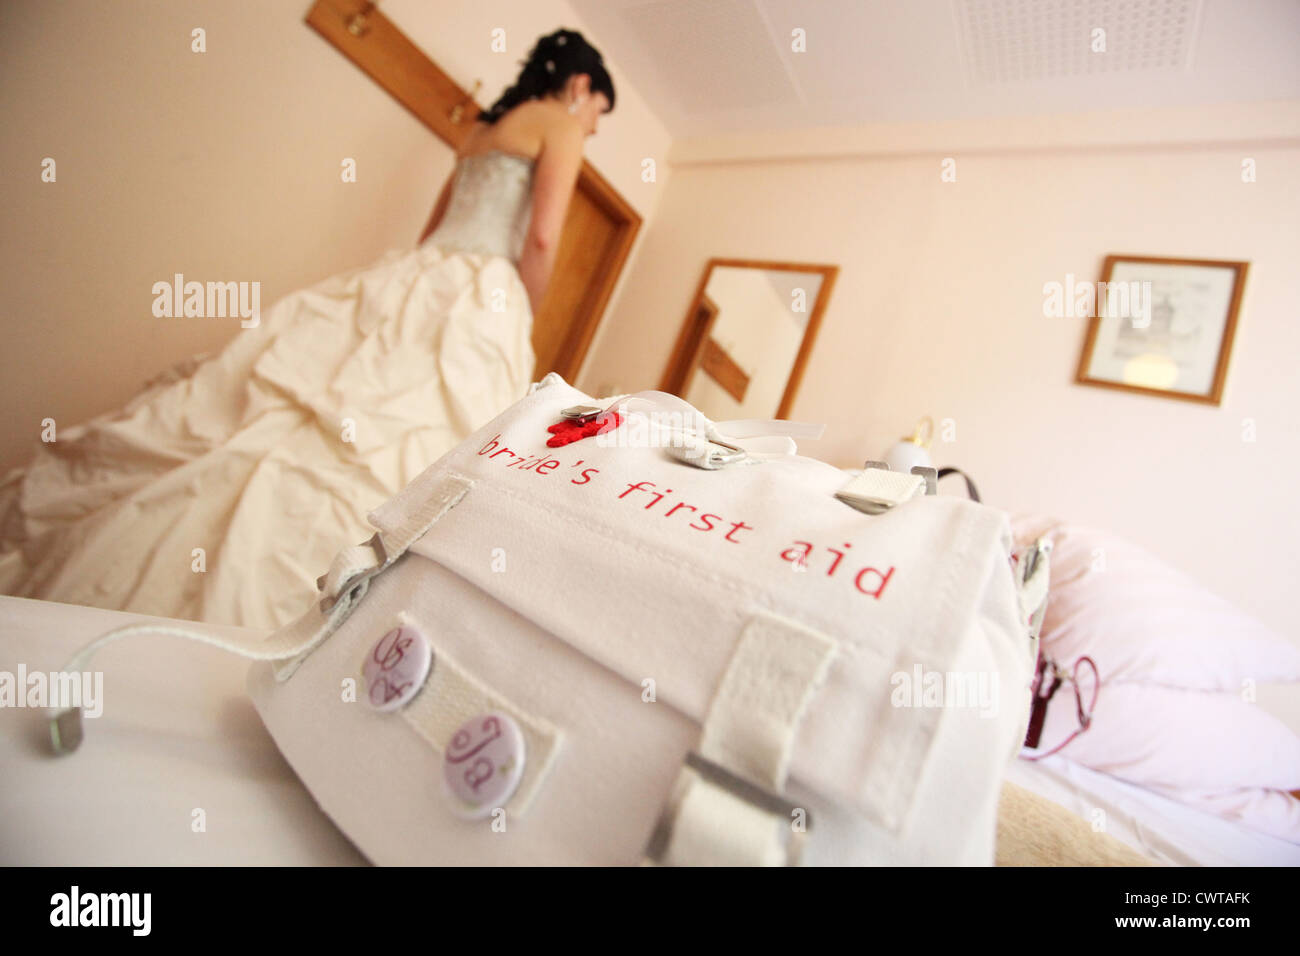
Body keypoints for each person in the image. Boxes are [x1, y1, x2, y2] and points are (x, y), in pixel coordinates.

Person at [0, 28, 615, 629]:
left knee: (313, 404)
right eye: (598, 114)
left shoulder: (482, 131)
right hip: (482, 289)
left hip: (421, 273)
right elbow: (540, 237)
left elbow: (434, 230)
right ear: (580, 86)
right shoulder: (558, 122)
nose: (591, 127)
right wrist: (522, 311)